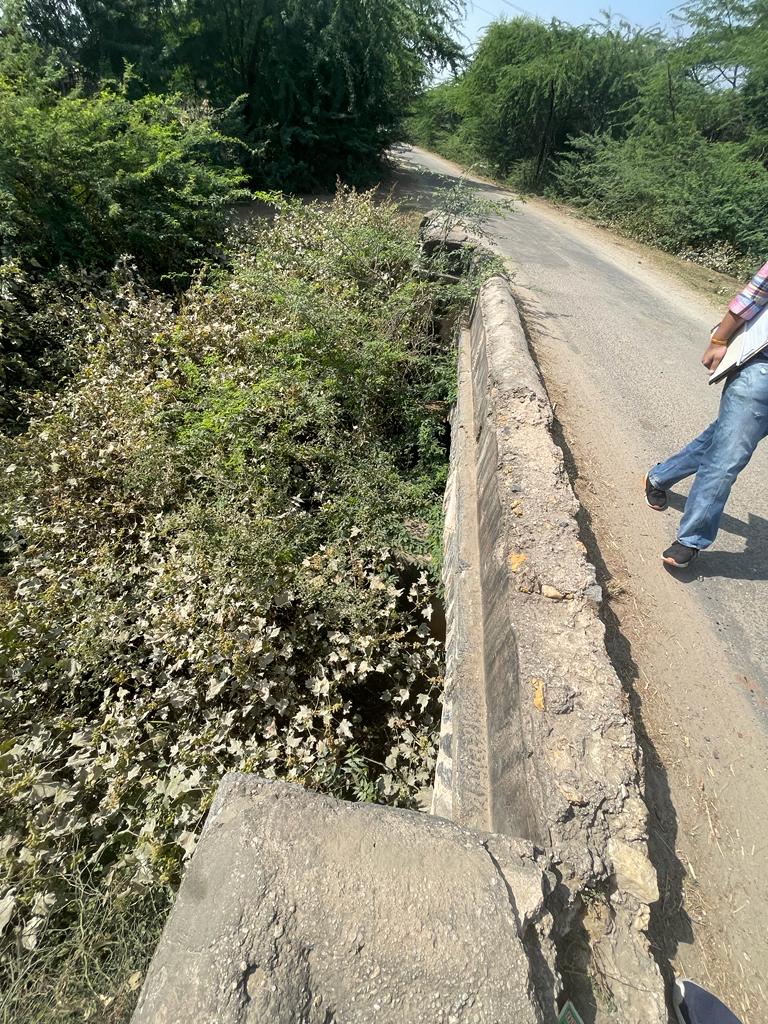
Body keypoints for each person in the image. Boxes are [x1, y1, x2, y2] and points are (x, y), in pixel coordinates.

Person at [645, 260, 768, 568]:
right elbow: (754, 295)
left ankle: (660, 477)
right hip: (763, 370)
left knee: (721, 438)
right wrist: (719, 339)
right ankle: (691, 539)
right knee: (727, 457)